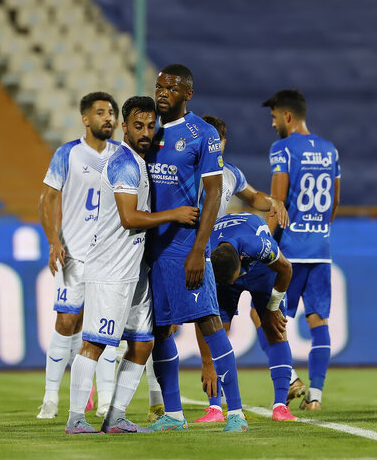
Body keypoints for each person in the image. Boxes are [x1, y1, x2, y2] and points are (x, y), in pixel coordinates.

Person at [65, 96, 199, 434]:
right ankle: (75, 418)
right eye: (138, 126)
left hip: (134, 269)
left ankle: (116, 416)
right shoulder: (124, 162)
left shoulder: (140, 161)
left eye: (151, 126)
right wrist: (175, 214)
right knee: (95, 342)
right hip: (110, 267)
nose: (145, 132)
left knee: (142, 343)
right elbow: (128, 218)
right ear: (125, 126)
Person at [145, 64, 248, 433]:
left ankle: (234, 412)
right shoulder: (148, 131)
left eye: (171, 88)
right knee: (159, 331)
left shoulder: (201, 134)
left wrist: (198, 249)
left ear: (188, 93)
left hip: (185, 247)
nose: (162, 93)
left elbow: (214, 193)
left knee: (210, 323)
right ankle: (173, 414)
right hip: (150, 250)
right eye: (159, 86)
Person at [38, 92, 121, 419]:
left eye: (112, 113)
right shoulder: (68, 154)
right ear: (86, 119)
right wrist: (53, 241)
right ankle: (50, 398)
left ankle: (104, 401)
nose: (108, 118)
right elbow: (46, 199)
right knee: (66, 322)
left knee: (105, 329)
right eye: (101, 112)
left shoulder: (123, 156)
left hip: (111, 257)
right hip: (74, 254)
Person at [263, 89, 340, 410]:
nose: (272, 125)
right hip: (321, 250)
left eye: (274, 118)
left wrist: (263, 243)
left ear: (288, 117)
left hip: (290, 252)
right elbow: (335, 202)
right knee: (318, 321)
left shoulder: (283, 149)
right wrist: (318, 231)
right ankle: (316, 398)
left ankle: (291, 378)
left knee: (263, 314)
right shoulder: (330, 150)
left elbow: (277, 204)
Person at [197, 212, 297, 422]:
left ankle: (281, 406)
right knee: (216, 329)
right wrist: (207, 362)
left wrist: (272, 309)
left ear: (241, 260)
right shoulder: (205, 255)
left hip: (261, 271)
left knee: (274, 328)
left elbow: (286, 269)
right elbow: (203, 318)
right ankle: (214, 408)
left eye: (234, 279)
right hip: (223, 269)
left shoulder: (258, 245)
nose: (234, 284)